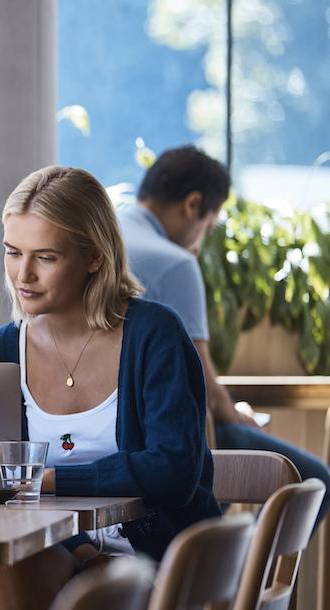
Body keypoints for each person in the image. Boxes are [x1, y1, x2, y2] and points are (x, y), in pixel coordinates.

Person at [0, 165, 220, 609]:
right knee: (9, 564)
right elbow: (4, 486)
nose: (24, 275)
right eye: (13, 252)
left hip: (160, 556)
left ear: (94, 257)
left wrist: (53, 480)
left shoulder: (154, 334)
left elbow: (173, 472)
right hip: (64, 550)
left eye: (46, 257)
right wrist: (80, 548)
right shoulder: (4, 349)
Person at [118, 145, 330, 527]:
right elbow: (204, 384)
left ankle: (210, 567)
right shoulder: (175, 262)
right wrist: (240, 415)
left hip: (108, 431)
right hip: (163, 436)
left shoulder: (106, 236)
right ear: (193, 205)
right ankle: (246, 581)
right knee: (316, 480)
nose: (203, 238)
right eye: (209, 224)